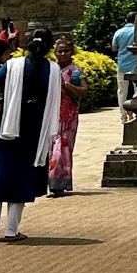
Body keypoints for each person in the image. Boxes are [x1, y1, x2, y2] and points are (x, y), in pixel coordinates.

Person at [0, 27, 60, 241]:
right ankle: (11, 230)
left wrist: (8, 93)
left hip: (5, 128)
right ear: (50, 46)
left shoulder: (13, 66)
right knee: (22, 178)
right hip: (34, 132)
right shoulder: (53, 70)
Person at [48, 39, 86, 196]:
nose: (62, 54)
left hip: (68, 117)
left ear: (72, 52)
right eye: (59, 51)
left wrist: (68, 86)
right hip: (51, 115)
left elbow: (84, 91)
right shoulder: (51, 69)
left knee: (62, 150)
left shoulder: (76, 71)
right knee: (51, 149)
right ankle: (53, 183)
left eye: (66, 51)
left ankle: (60, 183)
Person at [111, 12, 137, 121]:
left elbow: (114, 48)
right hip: (136, 65)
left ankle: (123, 116)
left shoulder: (119, 32)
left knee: (122, 91)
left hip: (122, 64)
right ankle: (136, 113)